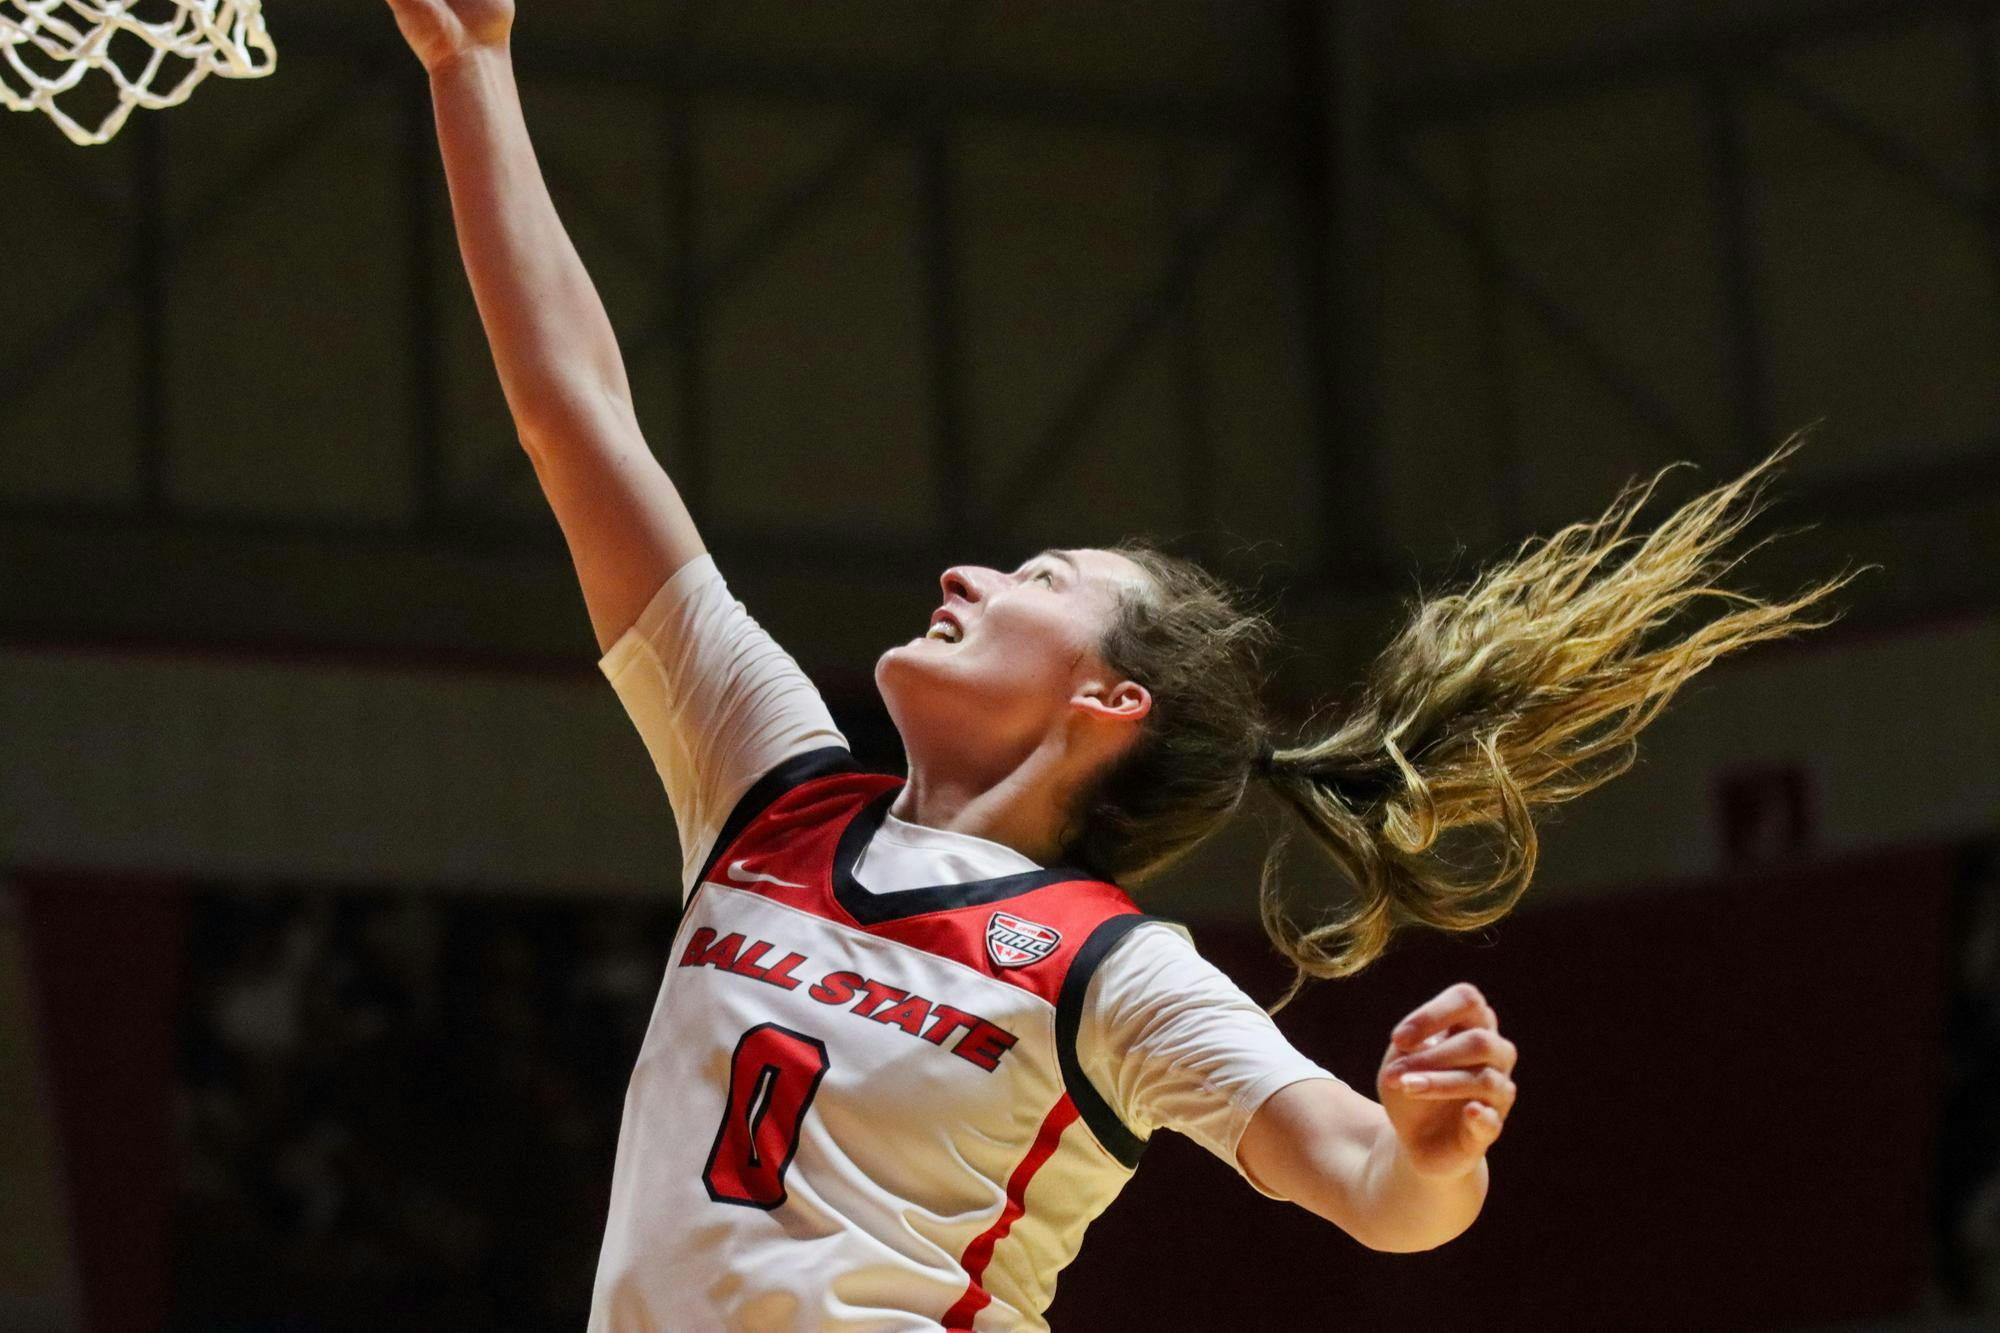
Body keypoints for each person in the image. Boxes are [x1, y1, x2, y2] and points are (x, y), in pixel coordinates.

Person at [383, 2, 1866, 1327]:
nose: (966, 574)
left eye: (1037, 579)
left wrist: (1428, 1148)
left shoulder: (1116, 967)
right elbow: (574, 419)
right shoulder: (769, 788)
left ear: (1109, 700)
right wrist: (477, 64)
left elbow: (1366, 1182)